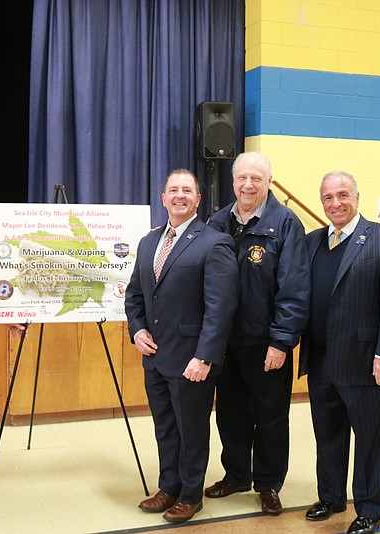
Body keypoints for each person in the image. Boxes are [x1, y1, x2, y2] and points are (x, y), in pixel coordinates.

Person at [299, 171, 380, 534]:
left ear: (357, 197)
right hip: (320, 360)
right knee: (328, 434)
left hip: (367, 363)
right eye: (328, 197)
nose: (336, 203)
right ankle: (331, 496)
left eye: (342, 195)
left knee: (370, 440)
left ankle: (368, 509)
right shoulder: (312, 241)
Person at [125, 169, 238, 524]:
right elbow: (135, 295)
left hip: (192, 362)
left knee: (192, 431)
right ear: (163, 198)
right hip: (155, 359)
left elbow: (221, 308)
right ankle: (168, 487)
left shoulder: (214, 242)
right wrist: (138, 330)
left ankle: (190, 495)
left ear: (197, 199)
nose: (179, 196)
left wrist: (204, 356)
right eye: (173, 190)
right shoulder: (149, 241)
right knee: (165, 428)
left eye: (186, 190)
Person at [204, 152, 310, 515]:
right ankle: (236, 474)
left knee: (271, 416)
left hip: (267, 345)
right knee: (230, 413)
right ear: (233, 182)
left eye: (256, 179)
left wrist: (281, 341)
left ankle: (268, 483)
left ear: (268, 182)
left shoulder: (285, 223)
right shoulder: (217, 222)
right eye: (242, 178)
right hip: (225, 344)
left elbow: (294, 288)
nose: (248, 185)